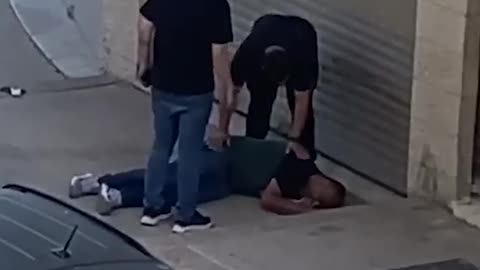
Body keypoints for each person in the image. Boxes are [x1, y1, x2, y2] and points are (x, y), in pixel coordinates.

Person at [69, 137, 346, 230]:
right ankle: (99, 181)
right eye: (323, 195)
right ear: (324, 181)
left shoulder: (301, 183)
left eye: (322, 203)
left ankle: (119, 196)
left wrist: (298, 203)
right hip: (222, 155)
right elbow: (269, 200)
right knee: (171, 175)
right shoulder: (298, 168)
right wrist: (302, 210)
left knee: (186, 195)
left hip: (230, 181)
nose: (318, 199)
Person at [136, 0, 234, 232]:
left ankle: (152, 208)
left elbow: (144, 29)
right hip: (196, 90)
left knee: (161, 146)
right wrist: (227, 87)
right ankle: (185, 215)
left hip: (163, 85)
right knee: (190, 154)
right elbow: (218, 52)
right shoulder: (216, 5)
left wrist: (143, 65)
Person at [225, 14, 319, 160]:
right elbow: (231, 92)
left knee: (299, 109)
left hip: (303, 33)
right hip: (266, 25)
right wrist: (222, 129)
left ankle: (303, 155)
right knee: (259, 101)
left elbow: (302, 100)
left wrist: (293, 140)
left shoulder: (302, 59)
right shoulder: (249, 53)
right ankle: (252, 148)